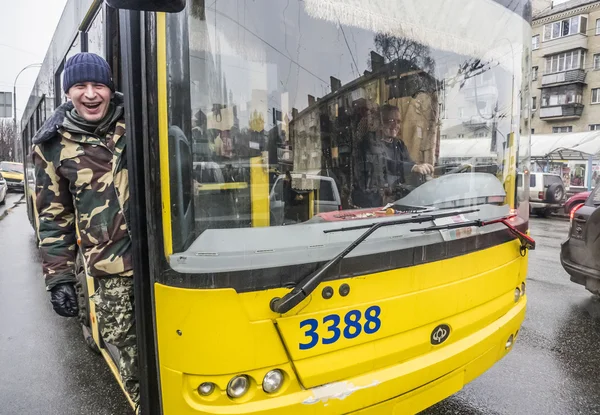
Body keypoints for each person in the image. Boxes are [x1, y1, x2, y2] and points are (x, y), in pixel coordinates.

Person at [31, 53, 139, 409]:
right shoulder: (52, 146)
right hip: (110, 268)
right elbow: (53, 217)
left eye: (98, 85)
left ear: (111, 89)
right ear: (68, 93)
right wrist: (59, 278)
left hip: (162, 259)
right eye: (80, 86)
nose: (91, 94)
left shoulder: (140, 117)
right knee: (130, 355)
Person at [353, 104, 434, 207]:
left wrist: (424, 173)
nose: (396, 125)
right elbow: (383, 164)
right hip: (372, 201)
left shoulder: (399, 144)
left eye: (398, 121)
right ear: (380, 122)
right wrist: (412, 167)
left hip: (394, 199)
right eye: (391, 121)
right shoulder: (369, 141)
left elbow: (409, 164)